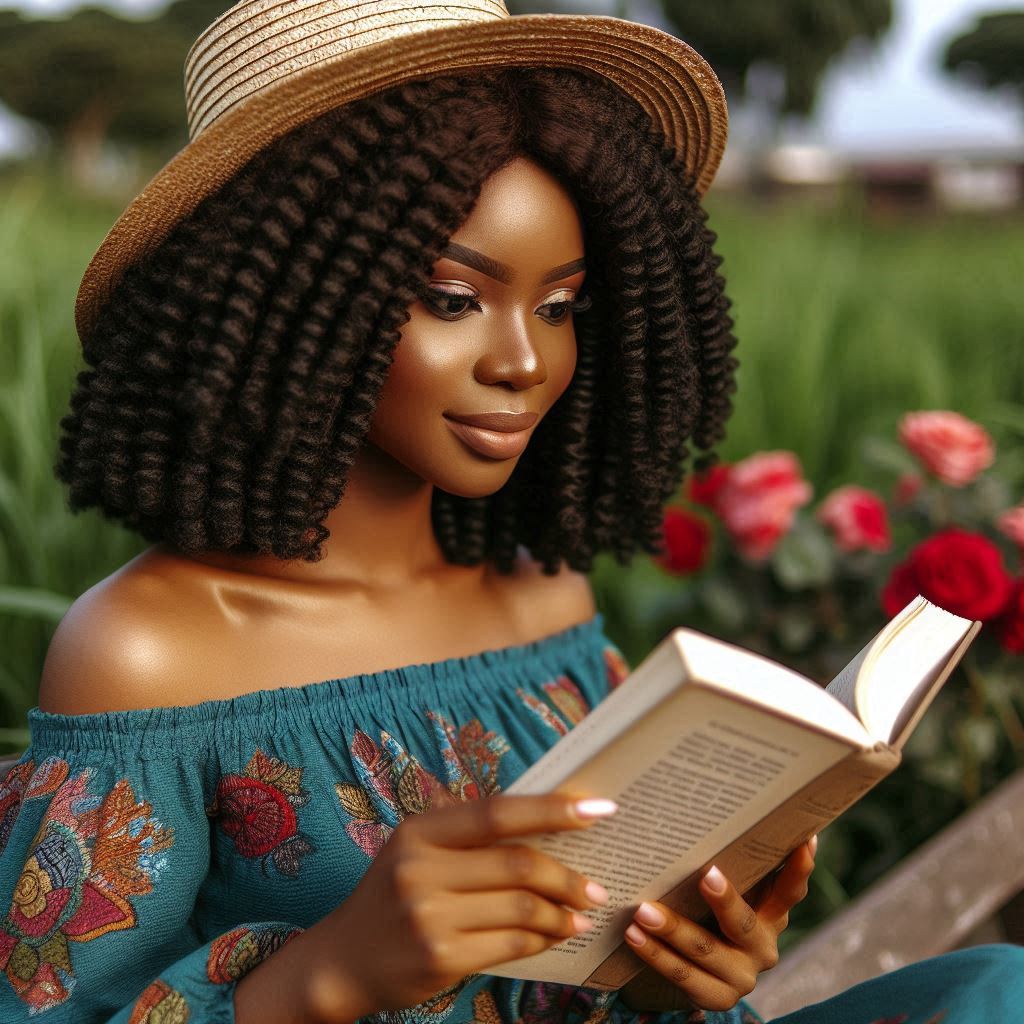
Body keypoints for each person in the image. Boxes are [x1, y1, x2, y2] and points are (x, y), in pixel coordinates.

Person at [1, 2, 1021, 1022]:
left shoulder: (542, 592)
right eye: (451, 299)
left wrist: (676, 971)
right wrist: (328, 974)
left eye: (559, 306)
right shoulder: (153, 654)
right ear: (280, 305)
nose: (524, 362)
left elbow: (598, 946)